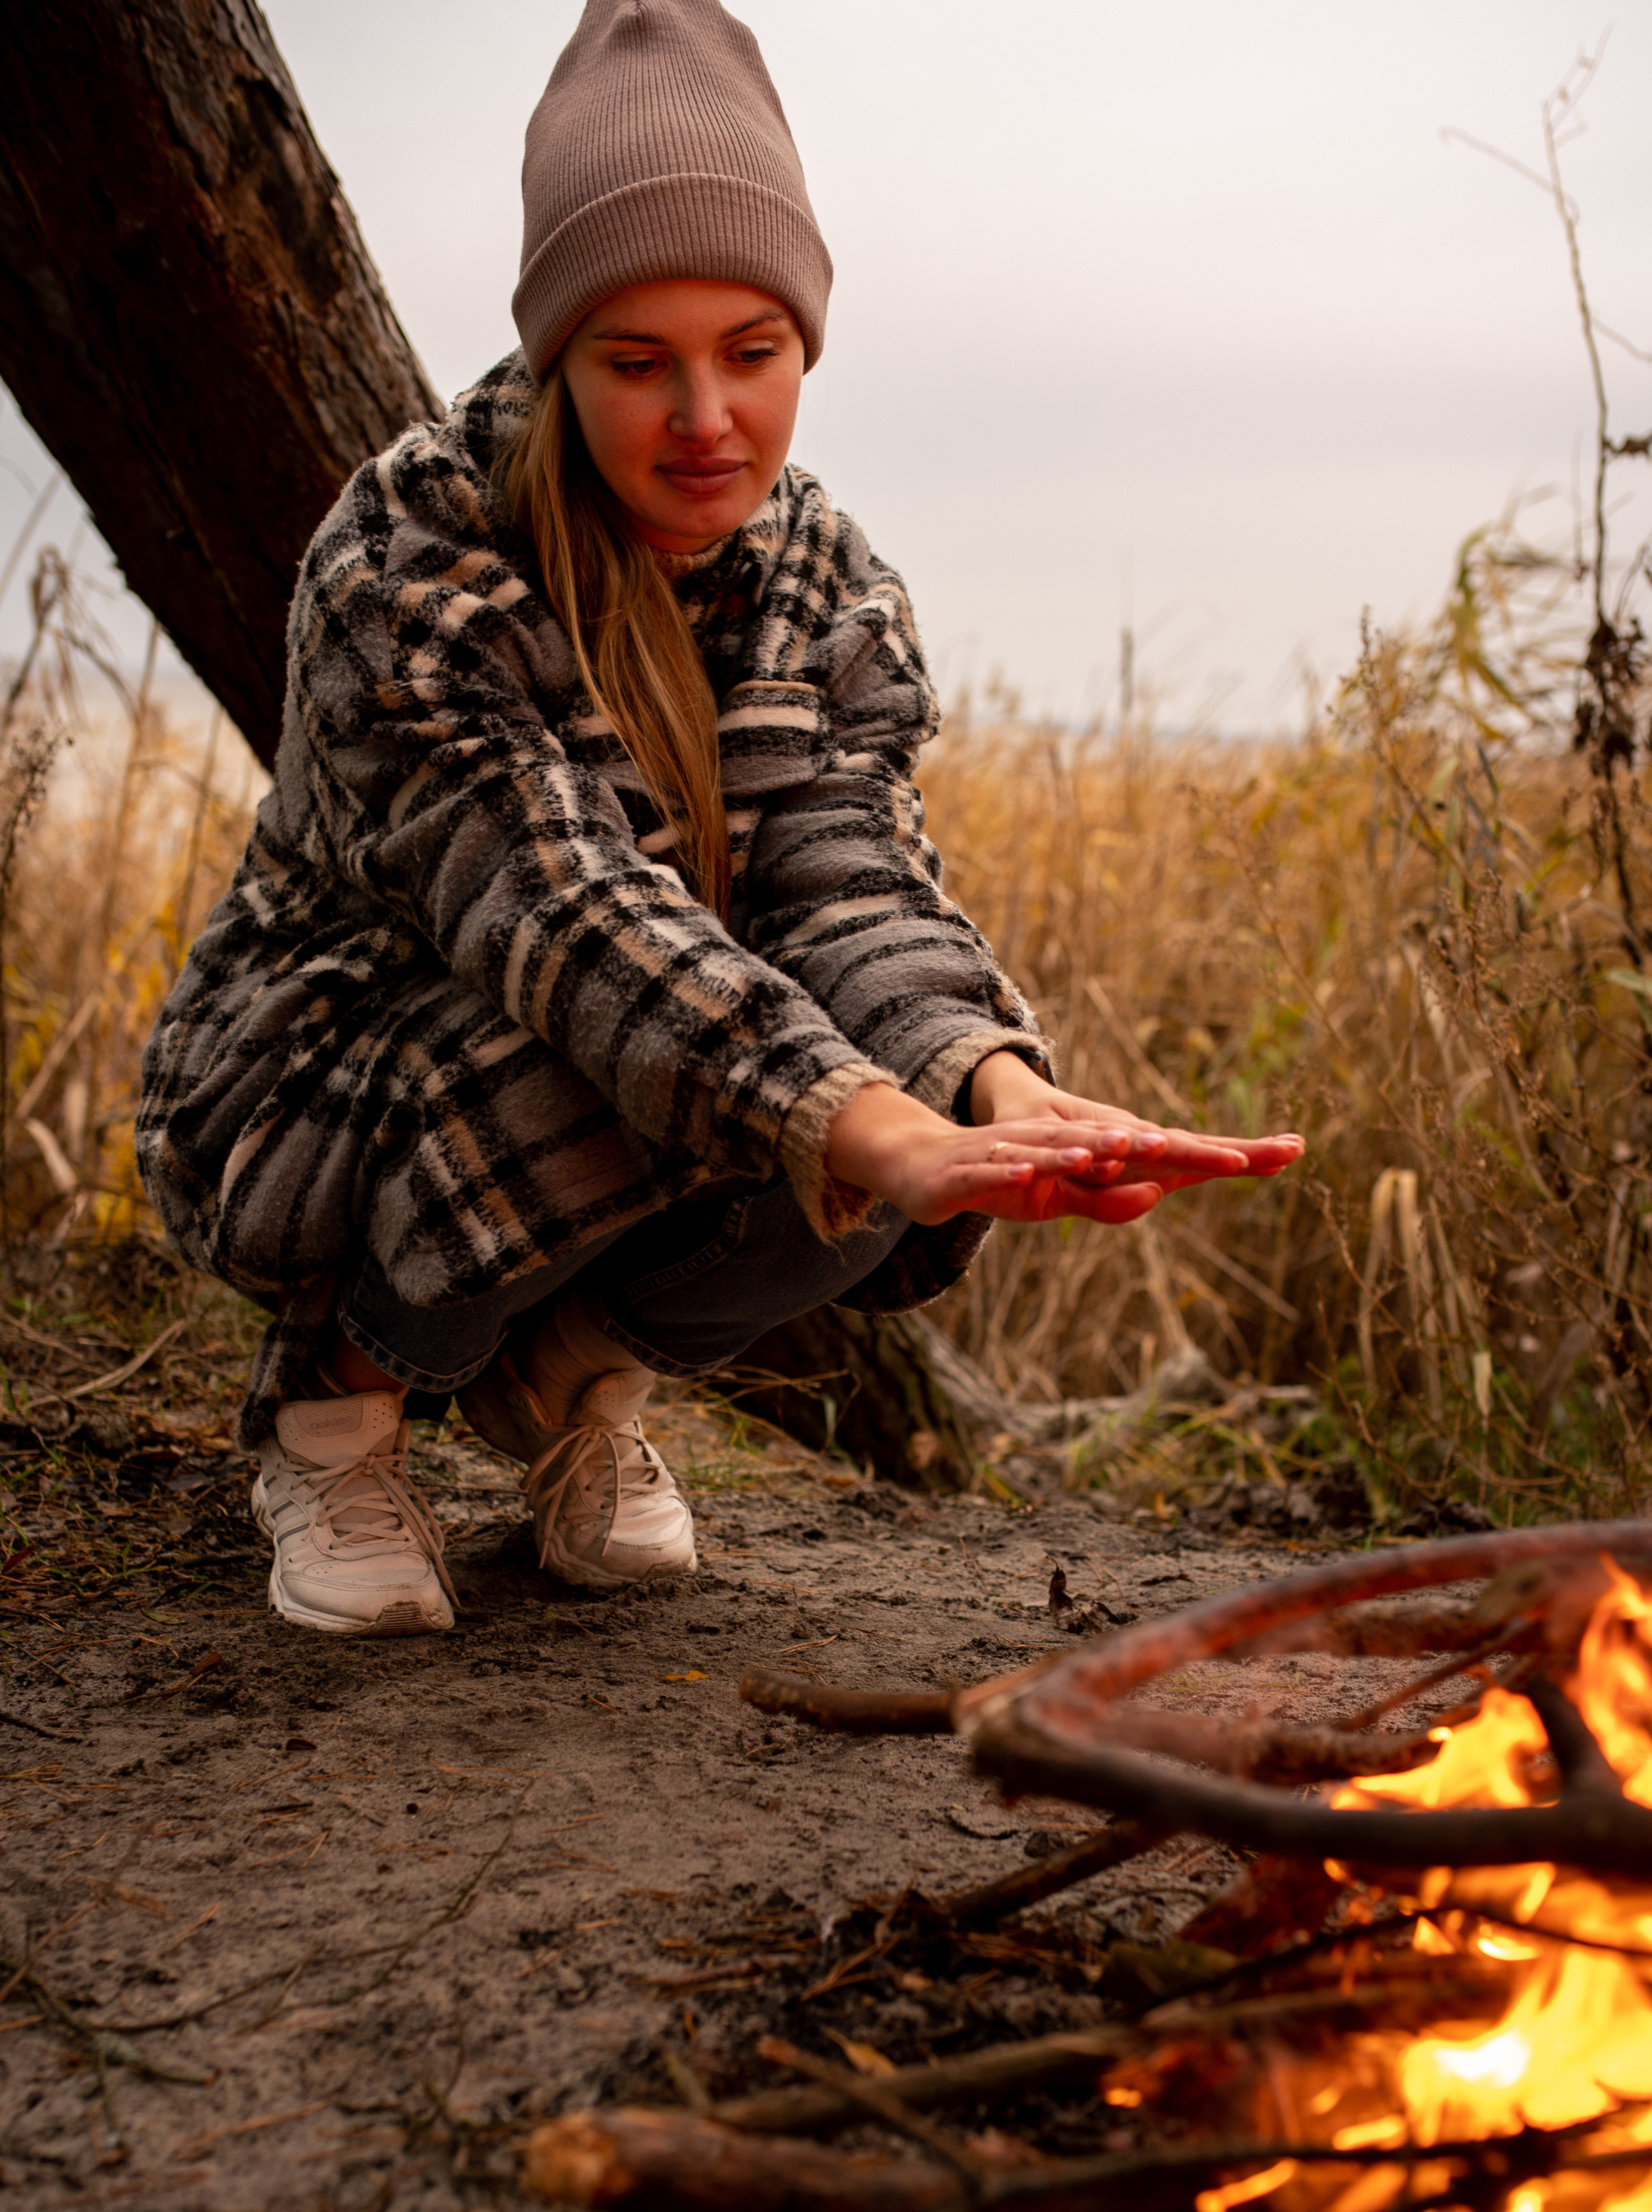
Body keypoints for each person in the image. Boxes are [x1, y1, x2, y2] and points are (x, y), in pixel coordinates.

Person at [136, 0, 1302, 1641]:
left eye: (751, 356)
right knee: (686, 1070)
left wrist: (988, 1087)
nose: (706, 421)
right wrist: (862, 1117)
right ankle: (334, 1412)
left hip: (622, 1040)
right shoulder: (410, 559)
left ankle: (562, 1387)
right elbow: (562, 913)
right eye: (638, 363)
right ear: (556, 356)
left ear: (803, 347)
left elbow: (845, 876)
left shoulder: (815, 574)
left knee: (884, 1113)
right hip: (319, 1091)